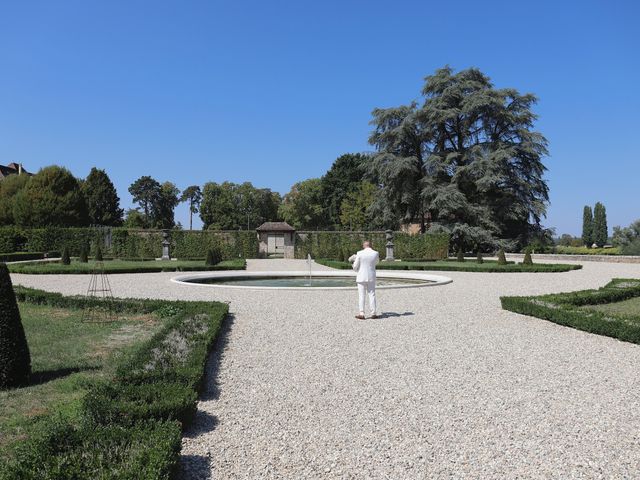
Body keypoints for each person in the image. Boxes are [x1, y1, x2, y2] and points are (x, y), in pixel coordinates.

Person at [349, 240, 379, 319]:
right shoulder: (375, 253)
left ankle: (361, 313)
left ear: (363, 245)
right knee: (372, 294)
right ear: (370, 245)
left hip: (361, 276)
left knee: (361, 295)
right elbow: (376, 263)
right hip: (371, 276)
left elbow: (355, 267)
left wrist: (352, 263)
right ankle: (373, 313)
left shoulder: (359, 253)